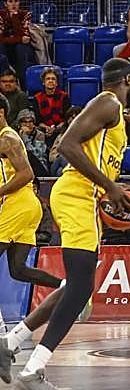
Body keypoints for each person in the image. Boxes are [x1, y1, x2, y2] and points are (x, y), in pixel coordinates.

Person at [0, 58, 130, 390]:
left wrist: (112, 186)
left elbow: (92, 158)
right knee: (79, 289)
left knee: (74, 286)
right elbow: (66, 145)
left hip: (83, 197)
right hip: (77, 194)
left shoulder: (113, 113)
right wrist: (109, 186)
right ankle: (32, 371)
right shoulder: (108, 102)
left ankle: (8, 344)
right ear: (129, 80)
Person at [0, 98, 67, 380]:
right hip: (26, 207)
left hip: (18, 205)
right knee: (18, 270)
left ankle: (1, 334)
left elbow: (27, 173)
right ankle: (66, 287)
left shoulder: (7, 138)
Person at [0, 0, 34, 83]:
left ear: (19, 2)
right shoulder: (1, 15)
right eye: (10, 1)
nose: (13, 4)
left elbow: (25, 38)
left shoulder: (25, 14)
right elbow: (1, 38)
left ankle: (23, 84)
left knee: (21, 48)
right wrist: (19, 39)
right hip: (5, 46)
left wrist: (14, 17)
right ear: (5, 4)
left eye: (16, 1)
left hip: (20, 47)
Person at [31, 68, 69, 146]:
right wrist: (46, 128)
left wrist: (55, 129)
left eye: (53, 79)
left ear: (57, 83)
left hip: (60, 130)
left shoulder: (64, 96)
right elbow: (38, 120)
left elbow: (66, 118)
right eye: (48, 79)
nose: (50, 81)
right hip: (42, 130)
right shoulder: (37, 98)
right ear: (43, 82)